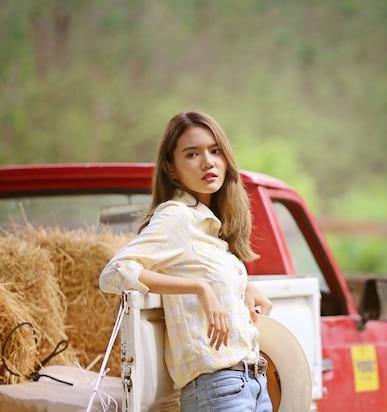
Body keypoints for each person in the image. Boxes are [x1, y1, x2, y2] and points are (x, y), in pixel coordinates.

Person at [99, 110, 274, 412]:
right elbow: (115, 272)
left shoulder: (212, 228)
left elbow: (202, 269)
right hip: (219, 390)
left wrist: (243, 287)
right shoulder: (176, 216)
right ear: (171, 169)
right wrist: (197, 288)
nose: (208, 162)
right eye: (192, 154)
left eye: (215, 150)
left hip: (255, 384)